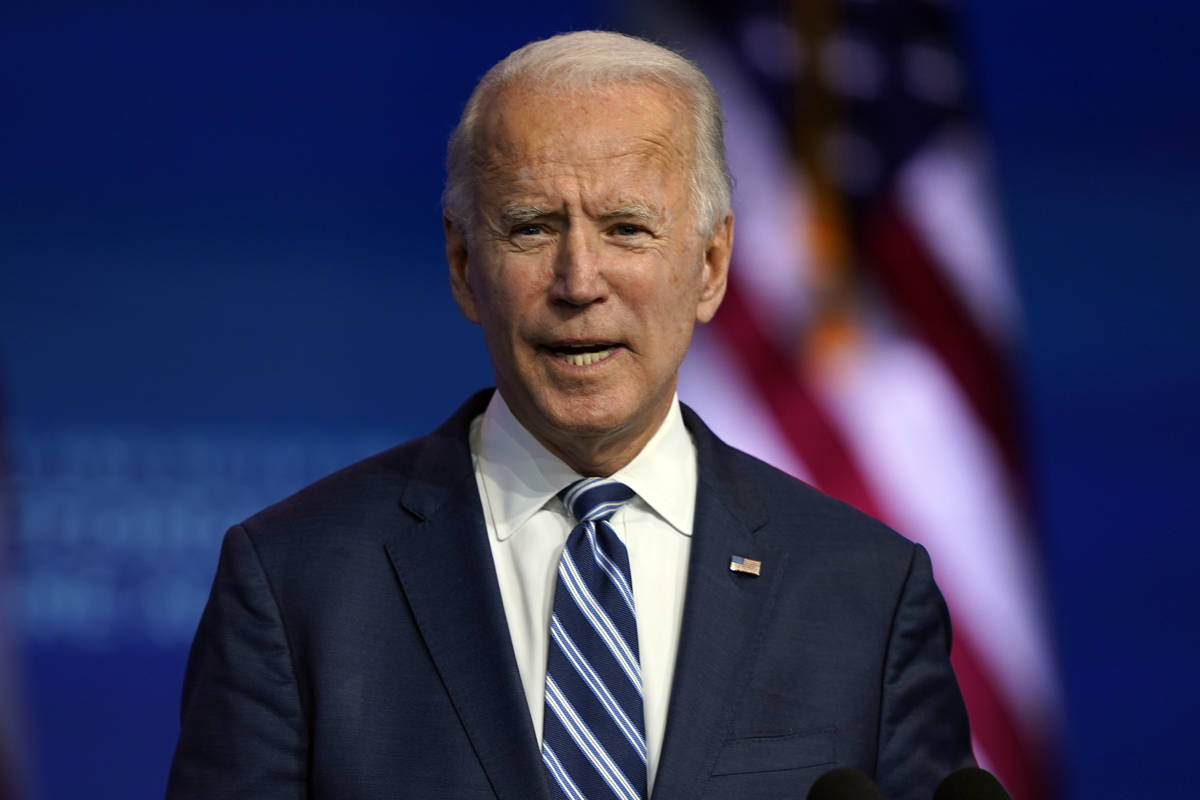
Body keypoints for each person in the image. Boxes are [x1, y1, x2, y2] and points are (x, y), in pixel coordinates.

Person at [166, 30, 973, 800]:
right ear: (462, 266)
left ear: (711, 266)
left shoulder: (865, 592)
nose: (579, 280)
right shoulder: (294, 581)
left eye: (626, 229)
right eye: (531, 228)